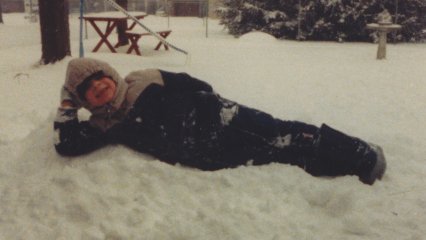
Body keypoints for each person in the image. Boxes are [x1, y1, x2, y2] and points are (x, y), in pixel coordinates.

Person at [54, 57, 386, 185]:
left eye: (100, 79)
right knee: (281, 154)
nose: (99, 88)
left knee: (281, 131)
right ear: (85, 101)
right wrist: (66, 104)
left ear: (110, 75)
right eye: (88, 91)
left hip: (223, 118)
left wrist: (210, 111)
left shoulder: (142, 78)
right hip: (206, 154)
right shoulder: (104, 125)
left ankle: (361, 154)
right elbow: (66, 144)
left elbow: (195, 84)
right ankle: (348, 171)